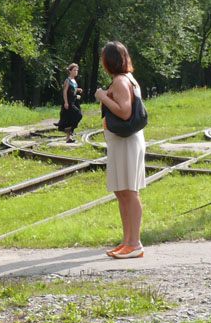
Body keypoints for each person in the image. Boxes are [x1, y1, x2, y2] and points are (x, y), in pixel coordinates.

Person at [94, 41, 146, 259]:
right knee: (122, 191)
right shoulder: (127, 80)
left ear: (109, 61)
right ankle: (127, 241)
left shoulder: (121, 81)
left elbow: (124, 113)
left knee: (129, 192)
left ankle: (135, 244)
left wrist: (103, 96)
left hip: (125, 142)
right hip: (122, 142)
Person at [56, 62, 82, 143]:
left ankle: (68, 138)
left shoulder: (74, 81)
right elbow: (65, 92)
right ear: (70, 71)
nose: (76, 72)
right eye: (74, 70)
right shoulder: (67, 80)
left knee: (71, 119)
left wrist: (78, 90)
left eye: (77, 70)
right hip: (69, 102)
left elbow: (73, 90)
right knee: (78, 115)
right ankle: (68, 129)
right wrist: (66, 103)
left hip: (75, 101)